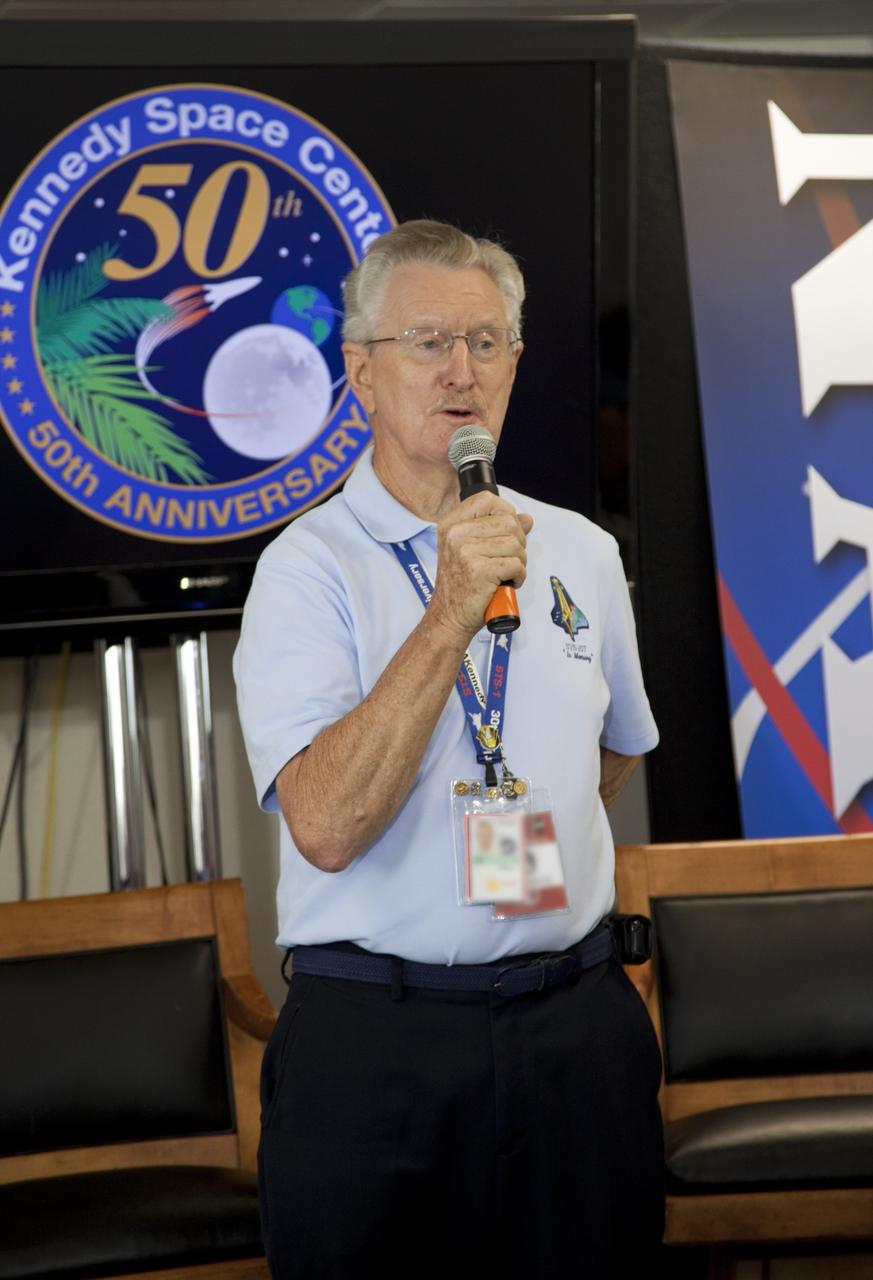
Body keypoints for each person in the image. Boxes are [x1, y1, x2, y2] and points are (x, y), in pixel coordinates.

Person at [234, 219, 664, 1278]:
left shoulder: (583, 550)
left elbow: (610, 755)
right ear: (361, 373)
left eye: (487, 340)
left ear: (517, 363)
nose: (461, 370)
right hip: (382, 1048)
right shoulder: (307, 570)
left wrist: (513, 803)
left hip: (576, 1032)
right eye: (428, 341)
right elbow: (326, 825)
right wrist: (450, 612)